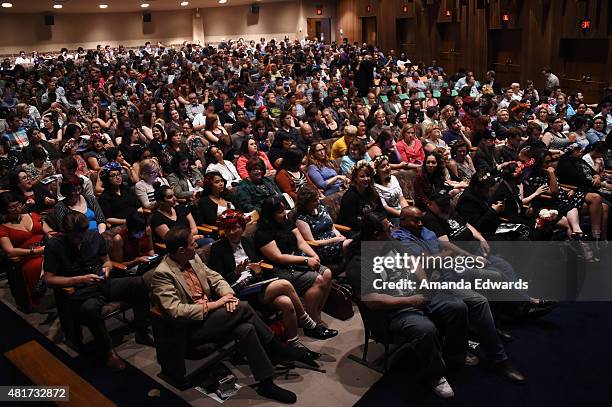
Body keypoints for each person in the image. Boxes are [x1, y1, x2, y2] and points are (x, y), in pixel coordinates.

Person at [150, 226, 312, 404]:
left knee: (246, 328)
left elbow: (216, 278)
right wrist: (217, 304)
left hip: (211, 317)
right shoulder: (162, 274)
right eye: (192, 243)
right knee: (243, 308)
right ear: (181, 250)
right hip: (190, 328)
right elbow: (176, 311)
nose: (196, 245)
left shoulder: (192, 258)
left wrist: (227, 295)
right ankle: (276, 348)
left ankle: (266, 382)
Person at [391, 206, 526, 384]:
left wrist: (470, 256)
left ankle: (493, 325)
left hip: (452, 270)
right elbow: (426, 262)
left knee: (494, 276)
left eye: (420, 219)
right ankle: (500, 359)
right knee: (479, 301)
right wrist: (443, 256)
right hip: (437, 284)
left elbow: (447, 248)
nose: (420, 223)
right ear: (403, 222)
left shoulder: (425, 230)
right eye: (415, 220)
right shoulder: (401, 239)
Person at [44, 211, 152, 371]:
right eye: (75, 237)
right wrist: (79, 279)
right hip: (78, 289)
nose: (80, 239)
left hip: (102, 282)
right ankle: (108, 351)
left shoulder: (93, 237)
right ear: (65, 232)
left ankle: (141, 330)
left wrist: (106, 269)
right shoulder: (55, 245)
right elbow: (49, 279)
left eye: (82, 235)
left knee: (140, 283)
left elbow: (107, 261)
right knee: (90, 309)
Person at [208, 210, 320, 357]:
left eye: (236, 227)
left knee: (286, 302)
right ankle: (308, 323)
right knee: (285, 284)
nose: (232, 232)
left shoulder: (247, 241)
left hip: (254, 285)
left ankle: (294, 344)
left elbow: (258, 270)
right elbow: (218, 281)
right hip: (237, 292)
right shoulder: (217, 249)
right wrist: (236, 272)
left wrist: (258, 271)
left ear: (242, 227)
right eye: (228, 229)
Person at [254, 196, 337, 339]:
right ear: (270, 214)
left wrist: (313, 255)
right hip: (280, 269)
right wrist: (306, 260)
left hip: (298, 260)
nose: (284, 214)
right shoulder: (262, 233)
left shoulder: (286, 222)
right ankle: (312, 324)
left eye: (284, 210)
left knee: (327, 273)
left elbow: (301, 242)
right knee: (317, 279)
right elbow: (278, 257)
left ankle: (316, 314)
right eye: (279, 212)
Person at [0, 192, 54, 310]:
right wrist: (35, 252)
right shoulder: (3, 228)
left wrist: (51, 238)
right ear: (4, 210)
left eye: (18, 205)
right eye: (12, 207)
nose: (17, 209)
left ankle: (45, 279)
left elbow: (49, 231)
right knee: (39, 263)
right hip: (29, 255)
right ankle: (42, 295)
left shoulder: (33, 215)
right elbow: (10, 251)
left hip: (46, 247)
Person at [295, 185, 351, 265]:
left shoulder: (321, 208)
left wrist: (339, 236)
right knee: (350, 244)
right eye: (314, 200)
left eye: (318, 198)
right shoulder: (301, 219)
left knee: (353, 243)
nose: (318, 202)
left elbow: (332, 228)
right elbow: (312, 242)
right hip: (322, 248)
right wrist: (335, 240)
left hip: (335, 240)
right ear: (305, 202)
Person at [337, 160, 386, 232]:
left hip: (375, 228)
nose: (366, 179)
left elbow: (382, 210)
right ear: (355, 178)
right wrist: (375, 224)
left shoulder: (372, 191)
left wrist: (383, 221)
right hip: (356, 234)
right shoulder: (349, 197)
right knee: (388, 243)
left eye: (368, 176)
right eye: (362, 176)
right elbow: (350, 223)